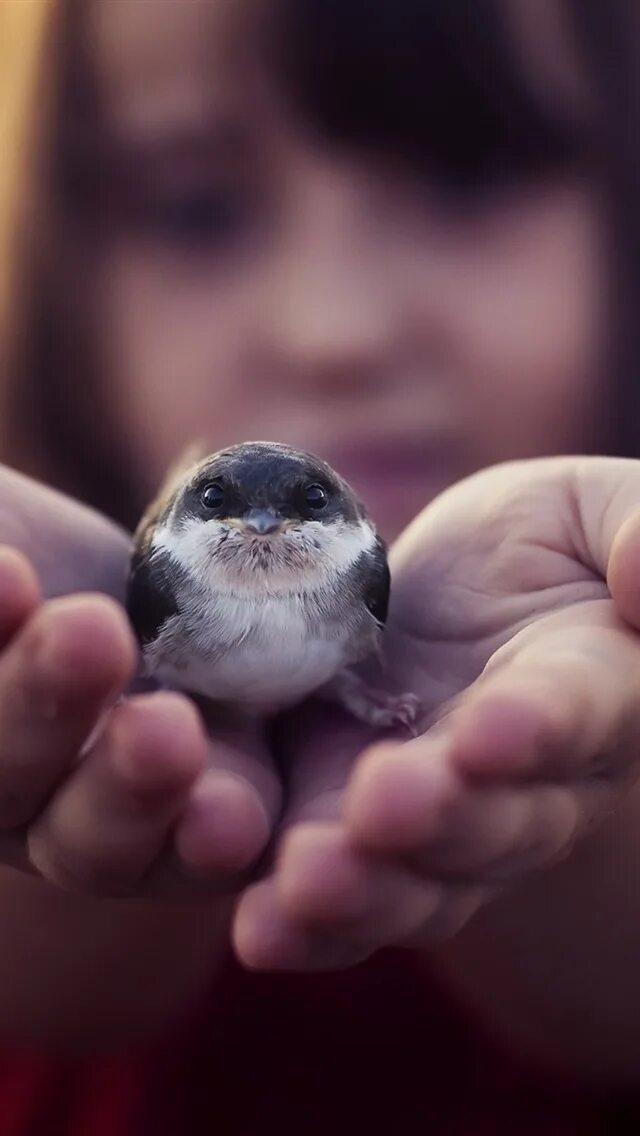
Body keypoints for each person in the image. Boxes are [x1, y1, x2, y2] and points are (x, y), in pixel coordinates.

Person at [0, 0, 639, 1131]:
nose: (331, 329)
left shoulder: (375, 599)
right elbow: (49, 996)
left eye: (466, 178)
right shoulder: (111, 602)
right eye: (198, 209)